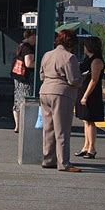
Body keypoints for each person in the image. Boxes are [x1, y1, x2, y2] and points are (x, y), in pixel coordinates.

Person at [39, 30, 82, 172]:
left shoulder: (47, 55)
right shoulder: (70, 57)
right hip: (61, 94)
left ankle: (48, 159)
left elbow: (41, 75)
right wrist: (82, 79)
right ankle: (63, 163)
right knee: (62, 129)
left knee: (48, 128)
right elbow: (73, 80)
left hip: (45, 92)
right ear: (72, 43)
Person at [74, 37, 105, 159]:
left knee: (90, 120)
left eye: (85, 46)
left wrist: (85, 96)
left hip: (91, 94)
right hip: (83, 91)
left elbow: (94, 80)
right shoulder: (89, 59)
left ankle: (92, 148)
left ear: (90, 46)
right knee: (85, 120)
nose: (83, 48)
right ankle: (85, 146)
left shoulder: (96, 61)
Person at [12, 30, 36, 133]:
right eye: (35, 37)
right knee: (25, 99)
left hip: (18, 76)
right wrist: (41, 64)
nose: (36, 40)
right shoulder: (28, 48)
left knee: (17, 100)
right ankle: (22, 125)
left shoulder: (20, 45)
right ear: (31, 36)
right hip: (26, 78)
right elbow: (29, 63)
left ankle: (17, 125)